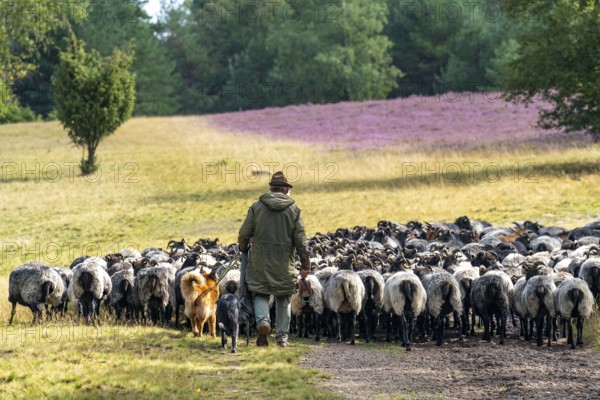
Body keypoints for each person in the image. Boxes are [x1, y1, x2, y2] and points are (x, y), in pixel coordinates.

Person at [238, 171, 309, 347]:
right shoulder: (294, 210)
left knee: (260, 293)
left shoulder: (256, 207)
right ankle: (282, 338)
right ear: (286, 190)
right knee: (283, 297)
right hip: (285, 263)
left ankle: (263, 322)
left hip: (259, 262)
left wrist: (242, 248)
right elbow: (301, 241)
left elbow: (243, 233)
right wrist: (305, 264)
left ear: (271, 189)